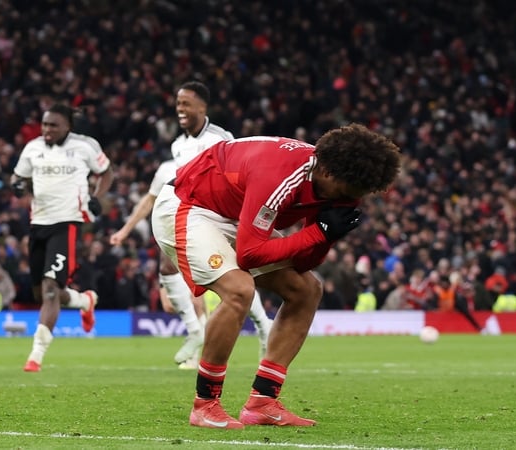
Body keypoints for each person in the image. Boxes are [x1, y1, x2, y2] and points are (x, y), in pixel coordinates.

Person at [152, 124, 401, 428]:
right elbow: (249, 255)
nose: (351, 199)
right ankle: (205, 404)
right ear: (327, 174)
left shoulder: (343, 185)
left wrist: (324, 236)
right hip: (188, 204)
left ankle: (263, 402)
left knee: (306, 290)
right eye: (349, 193)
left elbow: (304, 261)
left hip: (236, 214)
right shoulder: (281, 173)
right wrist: (319, 232)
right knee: (239, 290)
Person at [110, 81, 273, 369]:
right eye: (177, 104)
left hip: (219, 214)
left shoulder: (220, 137)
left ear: (202, 107)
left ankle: (262, 326)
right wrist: (124, 231)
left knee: (233, 278)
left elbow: (238, 173)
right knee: (167, 266)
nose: (180, 109)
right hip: (190, 213)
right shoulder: (178, 146)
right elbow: (157, 196)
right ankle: (196, 330)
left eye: (185, 104)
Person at [11, 103, 114, 372]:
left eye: (53, 125)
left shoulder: (85, 146)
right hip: (38, 223)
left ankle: (36, 354)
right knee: (42, 293)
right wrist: (17, 185)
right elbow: (18, 177)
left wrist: (97, 197)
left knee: (49, 290)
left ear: (67, 126)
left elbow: (107, 172)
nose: (47, 130)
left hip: (67, 222)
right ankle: (83, 301)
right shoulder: (32, 148)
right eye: (45, 124)